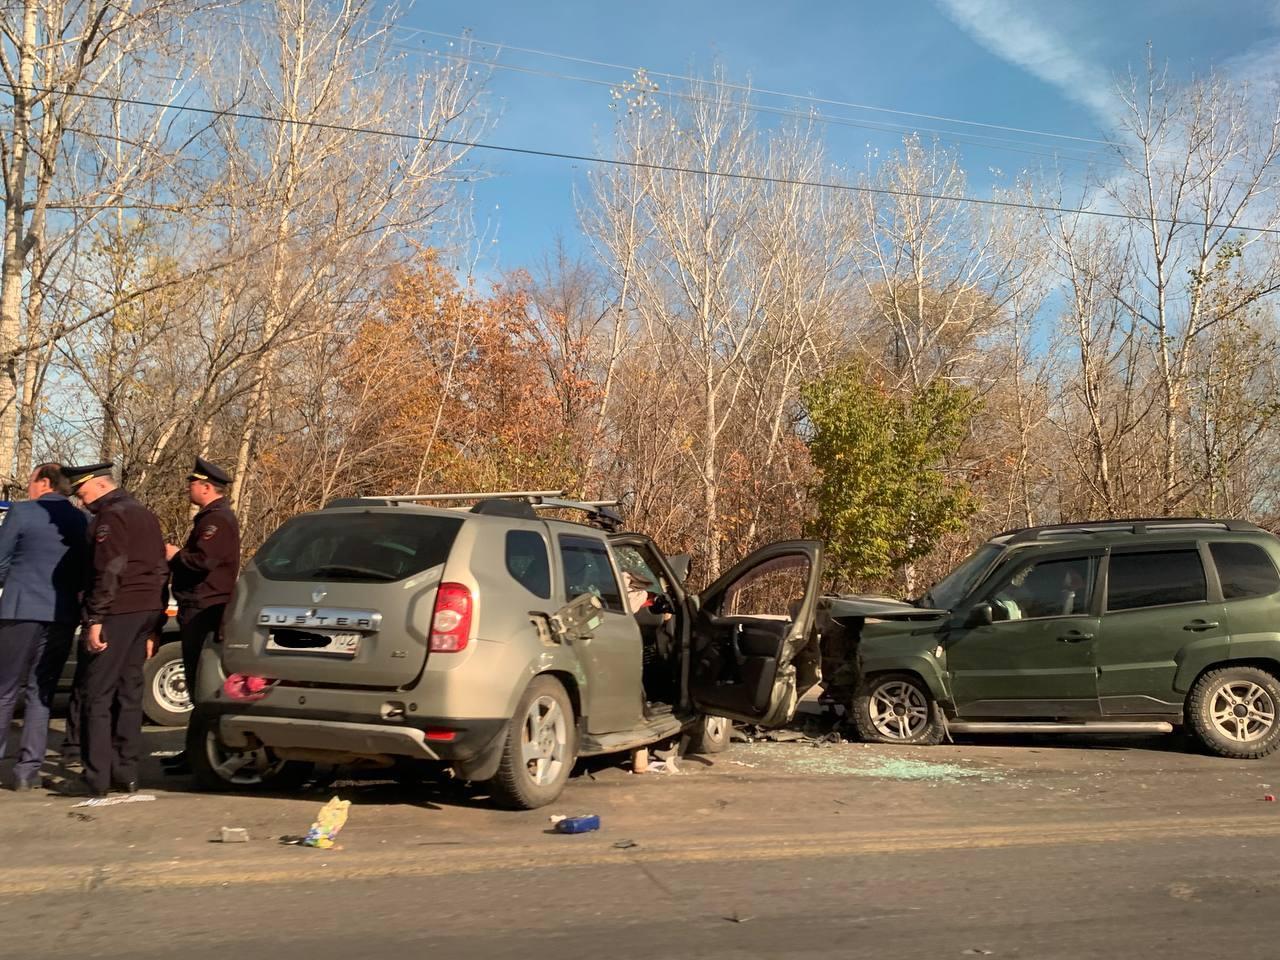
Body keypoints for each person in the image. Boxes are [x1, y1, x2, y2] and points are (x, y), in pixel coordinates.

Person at [56, 463, 167, 798]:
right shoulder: (143, 513)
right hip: (144, 609)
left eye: (82, 491)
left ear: (99, 485)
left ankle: (95, 777)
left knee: (97, 693)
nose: (80, 500)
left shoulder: (111, 516)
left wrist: (95, 619)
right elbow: (160, 568)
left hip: (118, 610)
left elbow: (110, 570)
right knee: (128, 692)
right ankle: (125, 771)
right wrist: (156, 622)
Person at [0, 464, 87, 791]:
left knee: (5, 687)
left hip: (20, 610)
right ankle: (28, 771)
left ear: (45, 482)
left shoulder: (22, 513)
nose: (28, 488)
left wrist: (14, 582)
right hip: (62, 614)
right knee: (42, 691)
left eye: (31, 482)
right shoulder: (81, 519)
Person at [161, 456, 239, 775]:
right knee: (196, 685)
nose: (188, 489)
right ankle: (193, 752)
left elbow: (202, 562)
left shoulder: (217, 520)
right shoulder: (211, 518)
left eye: (192, 484)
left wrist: (175, 555)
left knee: (201, 684)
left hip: (205, 608)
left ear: (206, 487)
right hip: (199, 605)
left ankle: (201, 753)